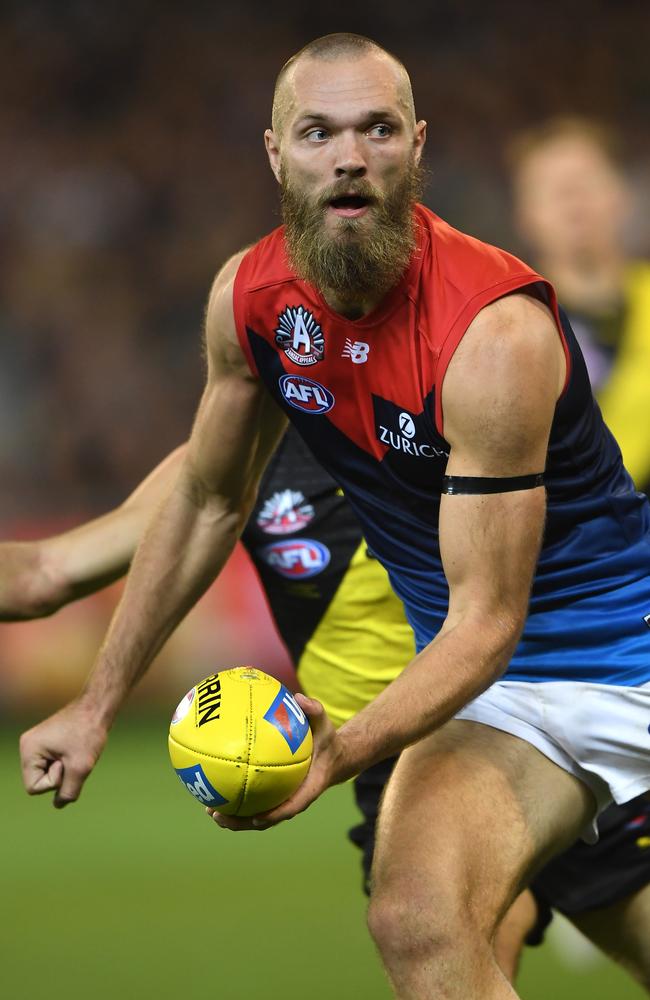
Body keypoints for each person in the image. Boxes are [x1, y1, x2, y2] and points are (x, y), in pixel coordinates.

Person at [18, 33, 650, 999]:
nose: (349, 155)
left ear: (416, 146)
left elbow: (490, 617)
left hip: (617, 662)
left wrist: (342, 748)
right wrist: (100, 706)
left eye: (376, 130)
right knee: (416, 922)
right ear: (275, 153)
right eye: (318, 132)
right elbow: (207, 499)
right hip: (496, 696)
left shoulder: (494, 334)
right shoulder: (253, 303)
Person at [5, 428, 650, 988]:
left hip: (545, 720)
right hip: (395, 763)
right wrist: (93, 706)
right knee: (448, 935)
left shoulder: (458, 412)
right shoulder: (241, 450)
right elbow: (46, 571)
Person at [509, 116, 650, 494]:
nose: (573, 200)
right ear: (526, 216)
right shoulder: (503, 324)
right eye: (551, 189)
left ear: (622, 195)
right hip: (565, 541)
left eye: (586, 181)